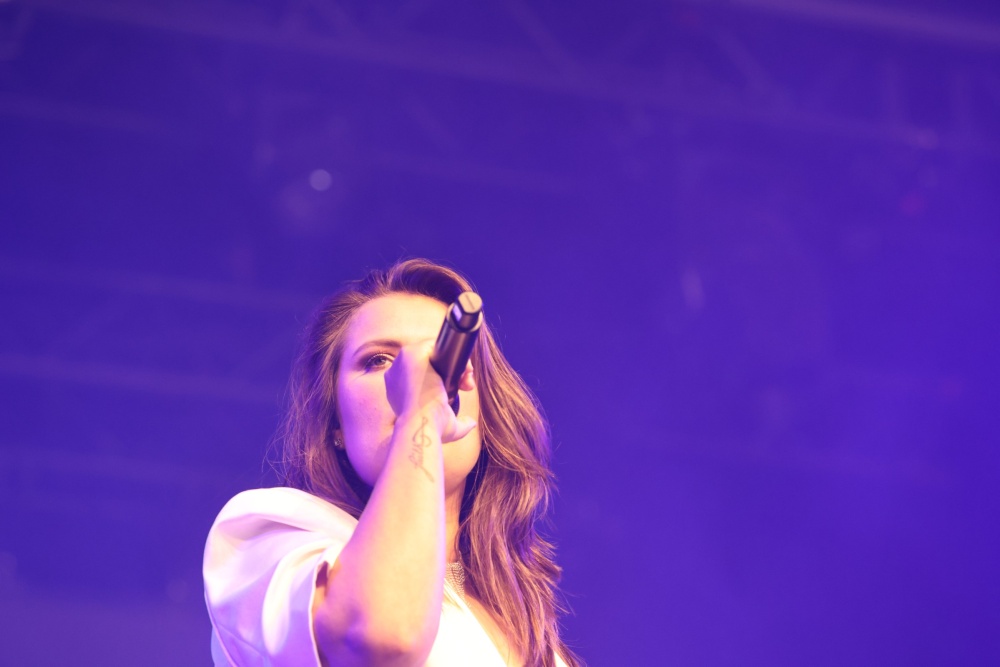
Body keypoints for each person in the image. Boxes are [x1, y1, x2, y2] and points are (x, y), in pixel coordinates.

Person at [203, 258, 580, 667]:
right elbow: (383, 636)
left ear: (486, 412)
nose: (426, 377)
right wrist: (419, 412)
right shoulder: (271, 537)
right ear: (335, 422)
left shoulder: (528, 625)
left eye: (447, 358)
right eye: (379, 360)